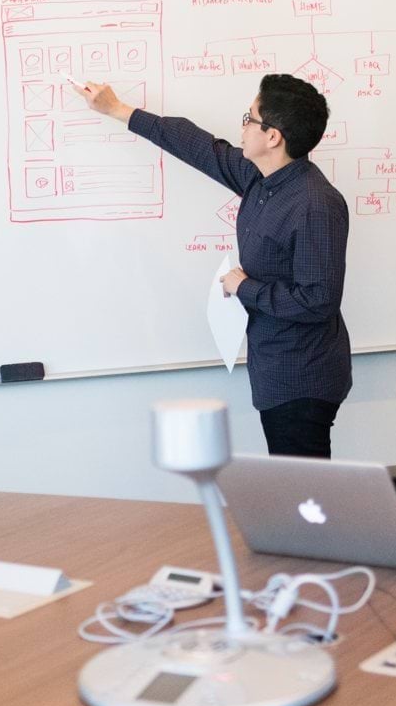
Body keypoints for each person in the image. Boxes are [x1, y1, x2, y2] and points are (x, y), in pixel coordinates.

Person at [77, 74, 351, 458]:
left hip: (302, 376)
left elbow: (318, 300)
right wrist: (118, 110)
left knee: (304, 495)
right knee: (294, 488)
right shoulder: (261, 178)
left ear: (273, 137)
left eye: (249, 118)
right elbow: (199, 146)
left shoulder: (314, 204)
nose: (242, 126)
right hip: (275, 367)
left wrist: (245, 288)